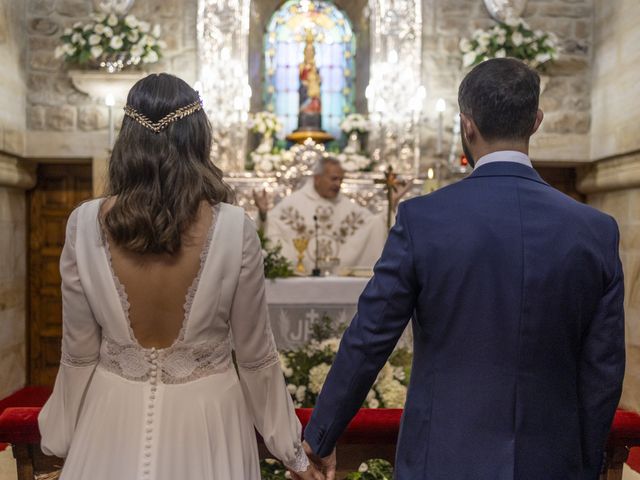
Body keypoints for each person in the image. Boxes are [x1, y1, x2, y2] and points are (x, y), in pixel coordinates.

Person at [302, 58, 625, 479]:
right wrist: (582, 463)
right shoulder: (595, 229)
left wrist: (321, 437)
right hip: (552, 460)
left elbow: (369, 338)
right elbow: (603, 367)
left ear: (466, 124)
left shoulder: (424, 219)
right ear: (536, 122)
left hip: (444, 457)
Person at [38, 73, 323, 480]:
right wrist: (291, 452)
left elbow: (79, 351)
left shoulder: (83, 223)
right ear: (197, 137)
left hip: (111, 413)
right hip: (208, 418)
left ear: (127, 138)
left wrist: (61, 434)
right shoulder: (233, 227)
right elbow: (255, 355)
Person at [254, 156, 410, 273]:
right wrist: (262, 214)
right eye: (334, 179)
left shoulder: (347, 206)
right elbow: (270, 226)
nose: (338, 184)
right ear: (317, 178)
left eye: (341, 179)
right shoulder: (293, 204)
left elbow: (375, 225)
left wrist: (392, 203)